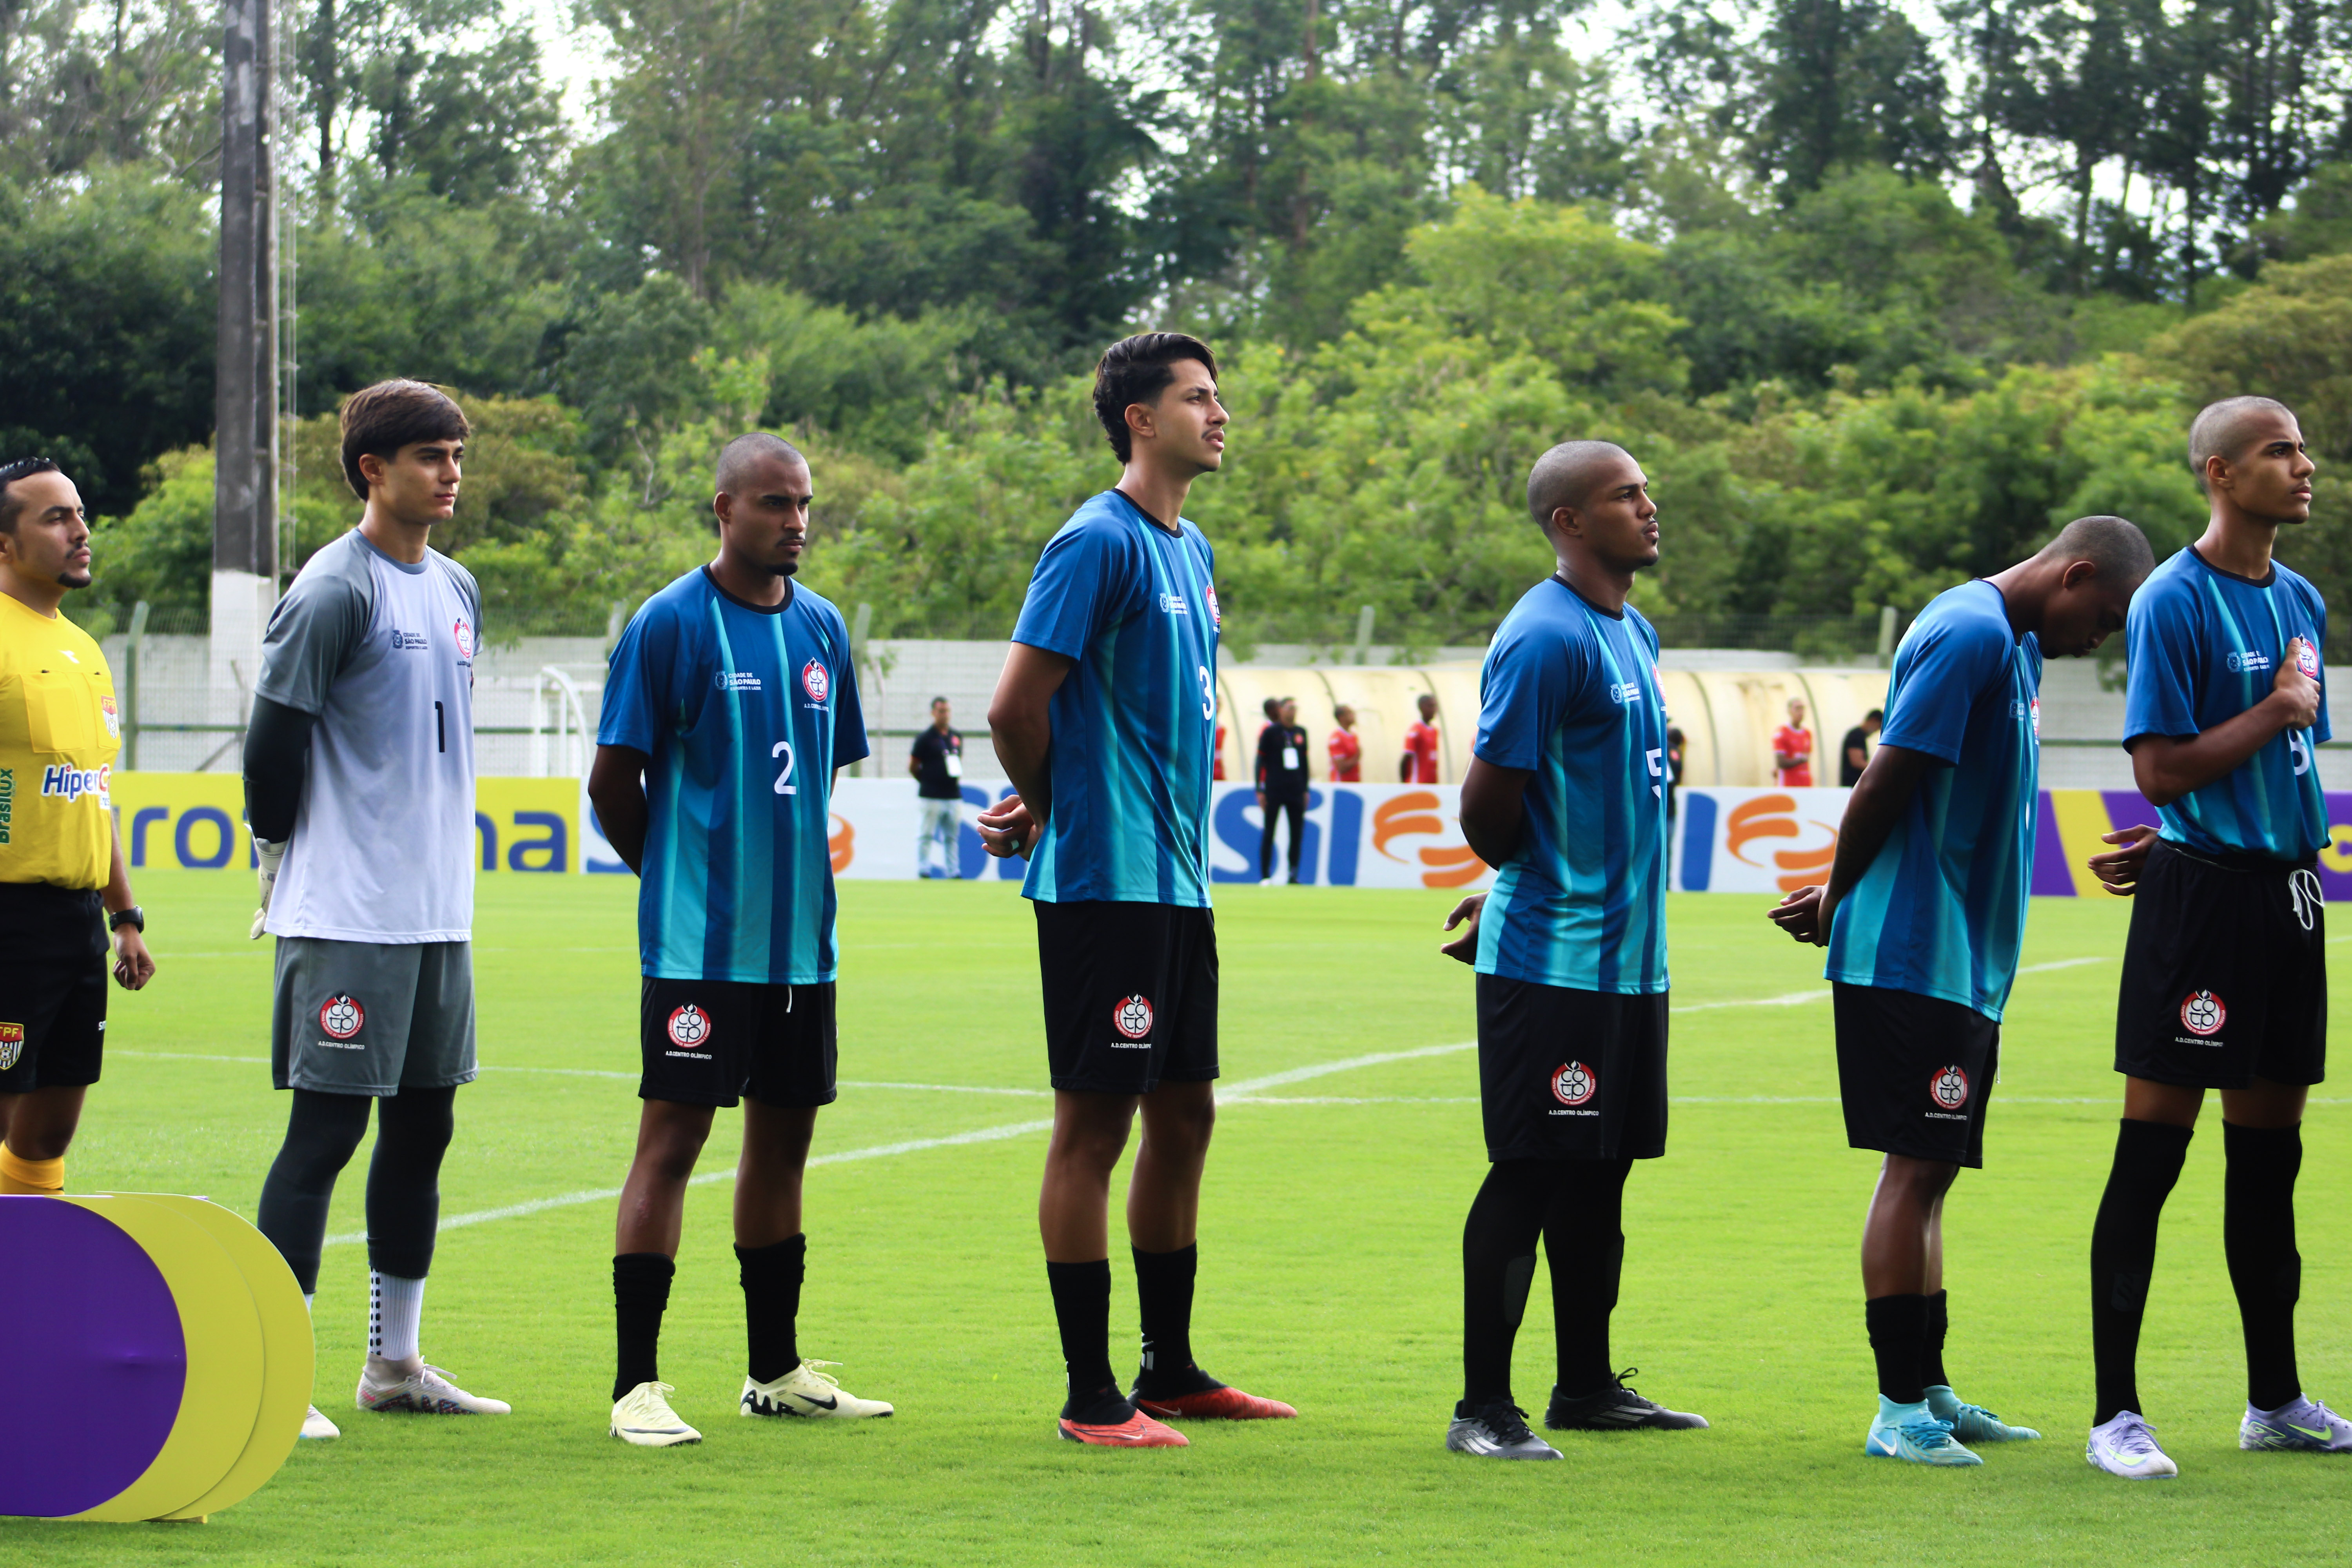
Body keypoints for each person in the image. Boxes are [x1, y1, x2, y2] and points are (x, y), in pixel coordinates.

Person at [1769, 515, 2152, 1468]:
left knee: (1935, 1169)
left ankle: (1930, 1388)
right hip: (1914, 949)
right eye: (2102, 619)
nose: (2097, 641)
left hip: (1962, 954)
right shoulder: (1972, 631)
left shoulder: (2012, 643)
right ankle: (1897, 1408)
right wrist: (1838, 891)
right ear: (2073, 575)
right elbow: (1888, 774)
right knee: (1911, 1169)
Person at [978, 332, 1295, 1448]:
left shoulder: (1189, 547)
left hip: (1175, 883)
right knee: (1093, 1130)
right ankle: (1090, 1394)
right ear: (1140, 421)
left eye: (1219, 397)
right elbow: (1016, 705)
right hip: (1105, 887)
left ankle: (1171, 1369)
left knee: (1188, 1114)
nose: (1220, 415)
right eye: (1199, 398)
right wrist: (1056, 806)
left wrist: (1058, 787)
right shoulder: (1095, 540)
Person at [589, 431, 888, 1450]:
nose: (795, 522)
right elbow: (611, 785)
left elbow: (823, 772)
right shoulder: (671, 624)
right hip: (698, 952)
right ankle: (637, 1385)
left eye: (804, 504)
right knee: (671, 1146)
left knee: (785, 1147)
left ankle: (775, 1370)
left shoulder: (822, 630)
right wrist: (676, 879)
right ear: (723, 510)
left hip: (803, 951)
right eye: (773, 504)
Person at [2080, 397, 2352, 1479]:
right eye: (2279, 451)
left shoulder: (2299, 600)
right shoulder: (2170, 602)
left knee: (2270, 1163)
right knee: (2153, 1155)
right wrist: (2274, 718)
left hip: (2288, 898)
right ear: (2218, 473)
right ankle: (2114, 1415)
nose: (2305, 465)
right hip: (2201, 916)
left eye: (2303, 449)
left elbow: (2274, 767)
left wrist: (2221, 815)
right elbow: (2160, 769)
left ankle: (2275, 1400)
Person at [244, 381, 507, 1443]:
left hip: (438, 914)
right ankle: (270, 1372)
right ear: (373, 470)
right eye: (432, 455)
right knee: (324, 1135)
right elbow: (273, 747)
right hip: (349, 913)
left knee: (425, 1130)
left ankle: (393, 1366)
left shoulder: (456, 586)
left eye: (456, 454)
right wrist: (282, 861)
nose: (450, 472)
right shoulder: (331, 590)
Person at [1433, 440, 1706, 1461]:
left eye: (1645, 487)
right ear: (1569, 522)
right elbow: (1486, 804)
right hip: (1554, 962)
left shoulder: (1633, 629)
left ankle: (1586, 1387)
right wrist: (1518, 885)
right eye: (1625, 494)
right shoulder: (1544, 635)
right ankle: (1482, 1409)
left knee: (1603, 1172)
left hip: (1633, 964)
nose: (1648, 505)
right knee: (1532, 1170)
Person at [0, 458, 156, 1201]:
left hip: (75, 927)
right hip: (8, 916)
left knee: (50, 1127)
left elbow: (94, 796)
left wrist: (123, 917)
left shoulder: (85, 649)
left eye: (80, 513)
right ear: (5, 542)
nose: (80, 530)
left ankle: (23, 1286)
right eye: (55, 517)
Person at [1256, 696, 1309, 884]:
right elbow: (1260, 760)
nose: (1292, 711)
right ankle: (1265, 875)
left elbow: (1304, 763)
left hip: (1295, 789)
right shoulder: (1271, 732)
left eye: (1295, 708)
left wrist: (1305, 789)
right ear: (1281, 710)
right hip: (1275, 788)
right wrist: (1259, 789)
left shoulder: (1301, 732)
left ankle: (1293, 874)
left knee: (1297, 833)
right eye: (1289, 707)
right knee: (1270, 830)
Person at [910, 696, 965, 879]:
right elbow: (913, 766)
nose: (945, 715)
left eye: (948, 711)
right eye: (941, 711)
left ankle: (953, 871)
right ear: (934, 713)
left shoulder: (956, 737)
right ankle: (924, 869)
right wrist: (926, 781)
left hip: (953, 795)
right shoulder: (925, 738)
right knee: (926, 835)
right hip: (931, 795)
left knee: (952, 837)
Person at [1773, 698, 1814, 787]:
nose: (1801, 712)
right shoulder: (1782, 732)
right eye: (1797, 709)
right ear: (1789, 711)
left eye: (1802, 709)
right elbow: (1781, 762)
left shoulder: (1807, 734)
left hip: (1804, 783)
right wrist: (1800, 760)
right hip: (1789, 784)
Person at [1402, 692, 1441, 783]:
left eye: (1435, 706)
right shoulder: (1416, 731)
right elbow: (1406, 759)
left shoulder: (1435, 731)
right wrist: (1404, 784)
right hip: (1418, 785)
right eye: (1431, 706)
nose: (1435, 710)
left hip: (1432, 784)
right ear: (1422, 708)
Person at [1839, 710, 1882, 787]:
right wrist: (1878, 771)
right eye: (1878, 727)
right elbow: (1857, 762)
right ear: (1873, 721)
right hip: (1852, 785)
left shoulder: (1860, 736)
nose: (1876, 731)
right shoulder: (1856, 735)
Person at [1328, 704, 1362, 782]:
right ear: (1341, 717)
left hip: (1354, 783)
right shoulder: (1337, 738)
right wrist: (1357, 757)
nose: (1353, 715)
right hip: (1342, 785)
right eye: (1350, 713)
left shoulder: (1354, 736)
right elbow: (1341, 767)